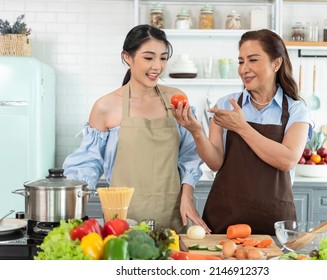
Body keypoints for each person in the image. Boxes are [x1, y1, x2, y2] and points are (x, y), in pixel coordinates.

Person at [62, 24, 209, 234]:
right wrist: (71, 210)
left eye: (163, 58)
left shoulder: (175, 99)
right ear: (128, 57)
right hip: (121, 219)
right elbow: (87, 165)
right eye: (148, 58)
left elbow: (189, 156)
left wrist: (187, 197)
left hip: (173, 214)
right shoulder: (106, 107)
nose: (157, 66)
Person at [171, 29, 312, 235]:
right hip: (225, 216)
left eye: (253, 60)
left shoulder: (296, 110)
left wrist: (241, 127)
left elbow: (287, 159)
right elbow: (215, 162)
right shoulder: (226, 104)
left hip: (273, 219)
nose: (244, 69)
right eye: (240, 61)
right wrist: (197, 132)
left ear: (276, 63)